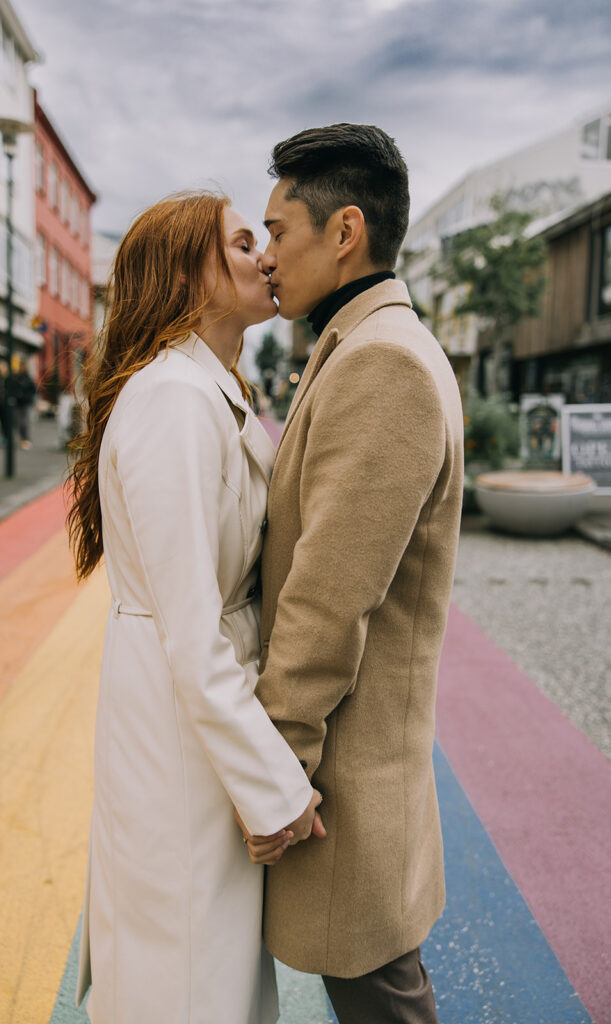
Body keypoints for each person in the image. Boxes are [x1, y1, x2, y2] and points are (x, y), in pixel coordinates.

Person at [66, 192, 323, 1024]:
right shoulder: (174, 399)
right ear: (188, 273)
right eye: (243, 243)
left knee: (196, 958)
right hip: (184, 726)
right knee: (183, 967)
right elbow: (190, 627)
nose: (265, 258)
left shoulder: (206, 391)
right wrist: (276, 789)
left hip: (193, 716)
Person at [242, 124, 464, 1024]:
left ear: (343, 233)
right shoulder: (362, 345)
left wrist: (275, 769)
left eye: (276, 232)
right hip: (358, 767)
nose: (264, 259)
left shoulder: (379, 363)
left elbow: (330, 598)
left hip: (344, 779)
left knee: (381, 997)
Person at [9, 356, 36, 449]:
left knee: (25, 422)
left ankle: (26, 439)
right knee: (18, 422)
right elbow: (12, 388)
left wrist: (27, 396)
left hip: (26, 403)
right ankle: (22, 438)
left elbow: (33, 390)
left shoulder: (28, 378)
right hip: (18, 402)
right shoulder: (16, 378)